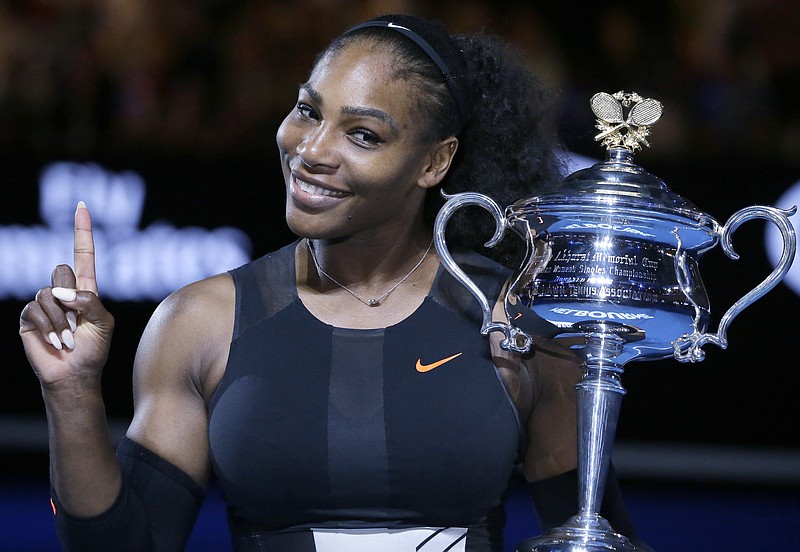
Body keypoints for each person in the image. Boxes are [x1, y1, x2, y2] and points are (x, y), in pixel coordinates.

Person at [19, 13, 649, 552]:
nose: (312, 150)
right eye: (307, 110)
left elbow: (593, 529)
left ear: (434, 162)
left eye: (363, 135)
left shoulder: (518, 320)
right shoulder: (199, 322)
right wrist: (72, 395)